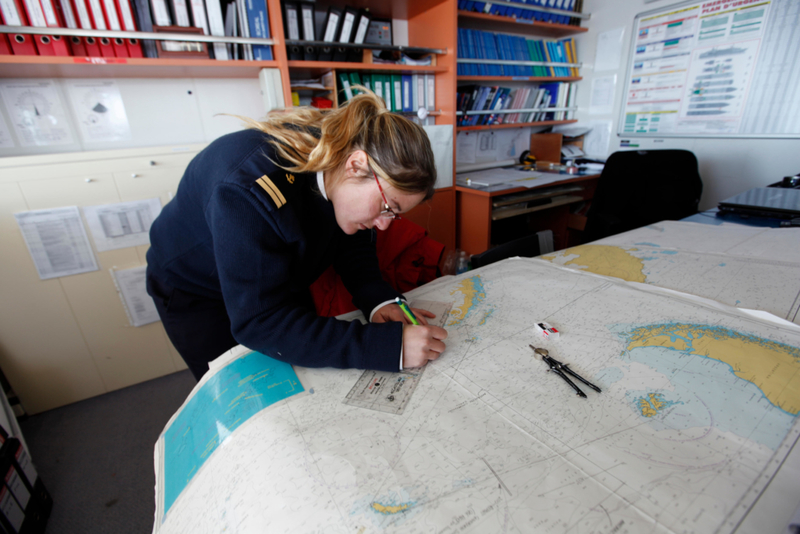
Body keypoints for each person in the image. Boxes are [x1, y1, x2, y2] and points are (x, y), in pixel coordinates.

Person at [146, 89, 448, 380]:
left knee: (300, 374)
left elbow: (352, 239)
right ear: (356, 165)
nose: (384, 225)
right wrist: (386, 347)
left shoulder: (341, 165)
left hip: (276, 271)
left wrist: (379, 299)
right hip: (196, 288)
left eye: (394, 215)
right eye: (386, 207)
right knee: (240, 391)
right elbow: (260, 322)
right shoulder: (248, 190)